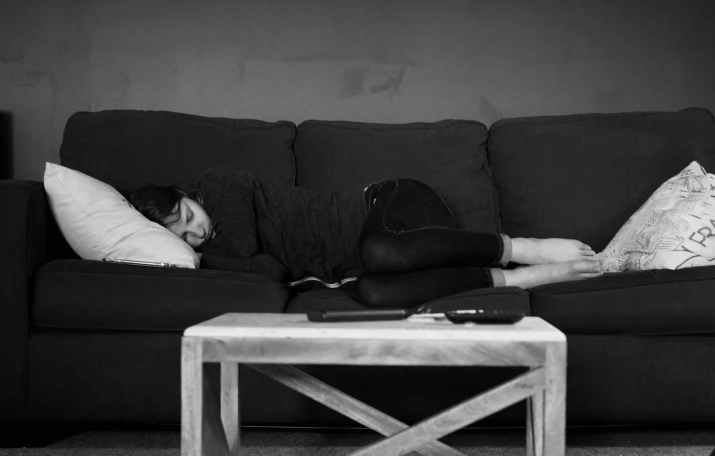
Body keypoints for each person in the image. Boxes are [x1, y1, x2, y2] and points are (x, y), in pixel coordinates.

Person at [129, 168, 603, 308]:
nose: (199, 229)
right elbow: (270, 273)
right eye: (185, 235)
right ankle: (514, 282)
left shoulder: (220, 184)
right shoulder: (209, 254)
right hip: (383, 261)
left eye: (190, 213)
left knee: (377, 250)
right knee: (374, 289)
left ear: (191, 194)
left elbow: (249, 256)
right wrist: (193, 257)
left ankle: (525, 250)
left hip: (393, 206)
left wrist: (200, 257)